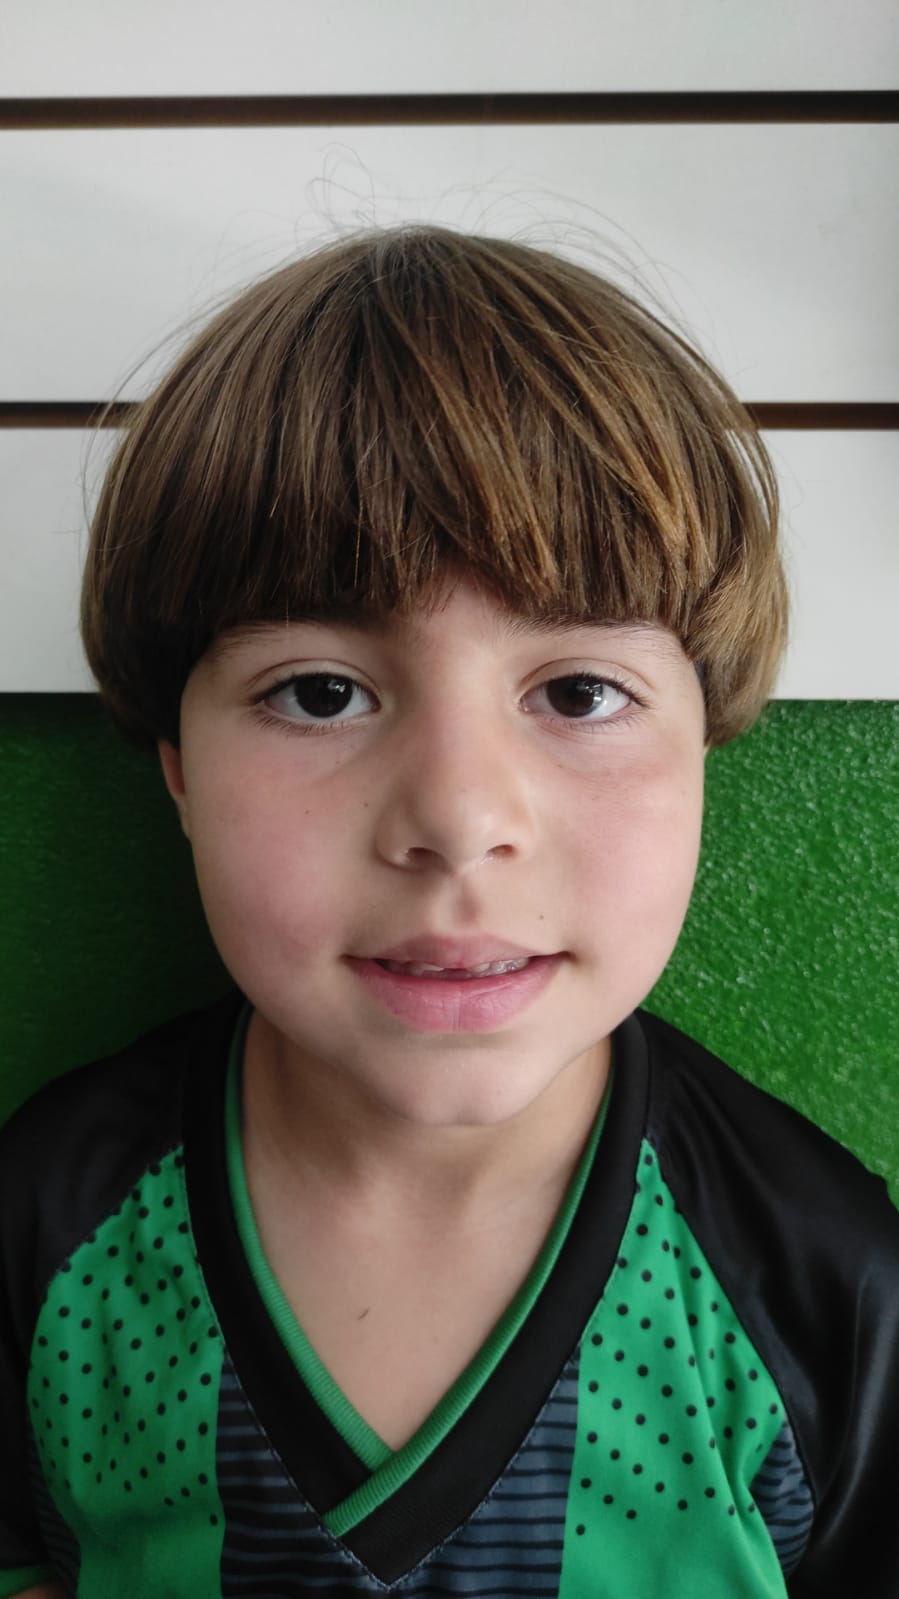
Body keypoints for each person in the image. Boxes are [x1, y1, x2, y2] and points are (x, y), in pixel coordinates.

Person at [1, 225, 896, 1599]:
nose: (460, 817)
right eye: (319, 693)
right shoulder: (50, 1226)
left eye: (580, 692)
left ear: (707, 745)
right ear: (175, 768)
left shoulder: (822, 1284)